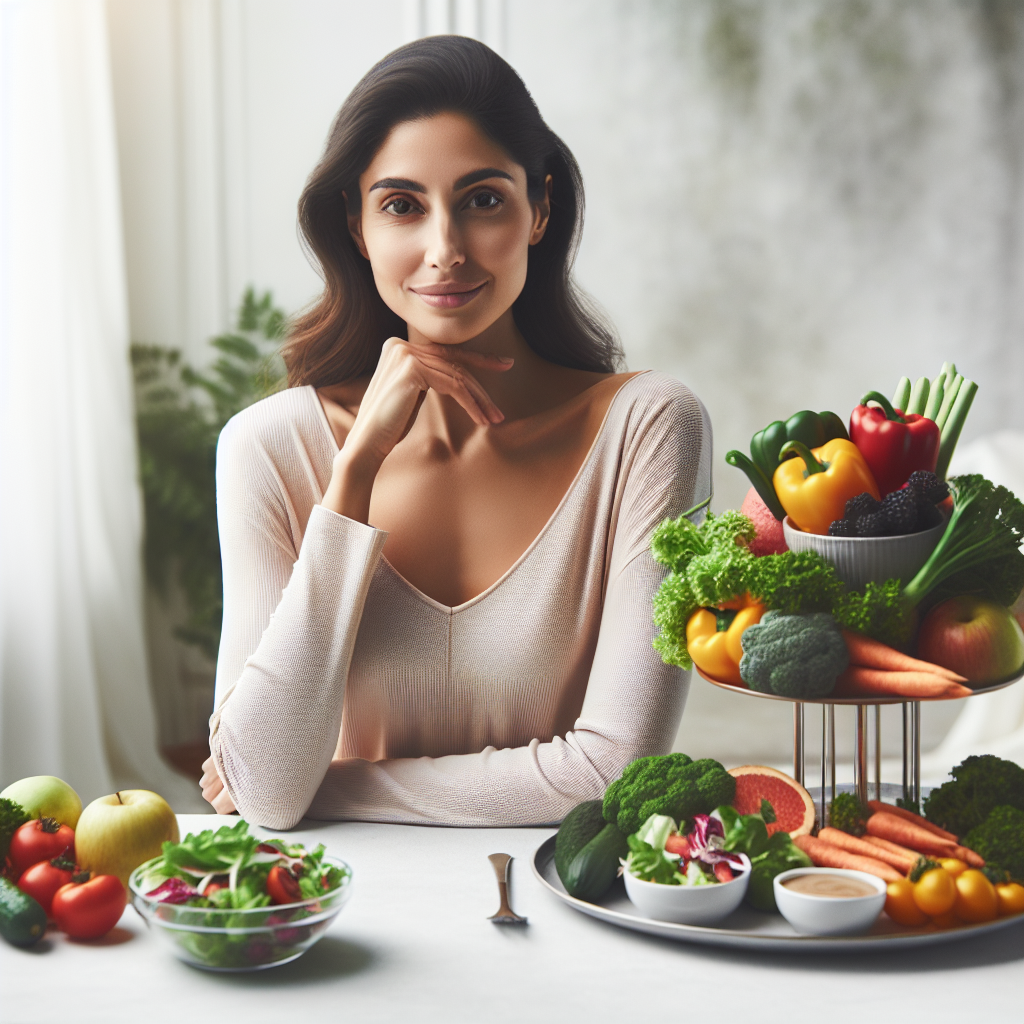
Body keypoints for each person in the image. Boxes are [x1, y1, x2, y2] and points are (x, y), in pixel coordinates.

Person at [200, 36, 711, 830]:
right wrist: (354, 472)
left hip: (556, 898)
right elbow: (266, 789)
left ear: (540, 208)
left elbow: (615, 771)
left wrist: (329, 787)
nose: (445, 250)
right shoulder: (267, 448)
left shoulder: (647, 427)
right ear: (357, 225)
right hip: (343, 905)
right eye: (402, 206)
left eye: (482, 201)